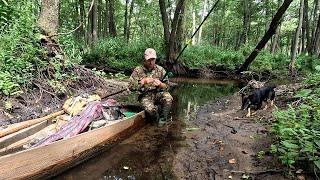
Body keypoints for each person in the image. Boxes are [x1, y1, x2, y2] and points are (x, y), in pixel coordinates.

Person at [129, 48, 173, 126]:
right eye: (149, 60)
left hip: (158, 94)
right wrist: (143, 82)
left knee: (168, 98)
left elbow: (168, 87)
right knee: (151, 110)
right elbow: (130, 87)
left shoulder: (161, 70)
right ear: (145, 60)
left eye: (153, 59)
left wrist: (160, 84)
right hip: (145, 96)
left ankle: (162, 120)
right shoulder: (138, 70)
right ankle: (155, 121)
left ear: (155, 59)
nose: (151, 62)